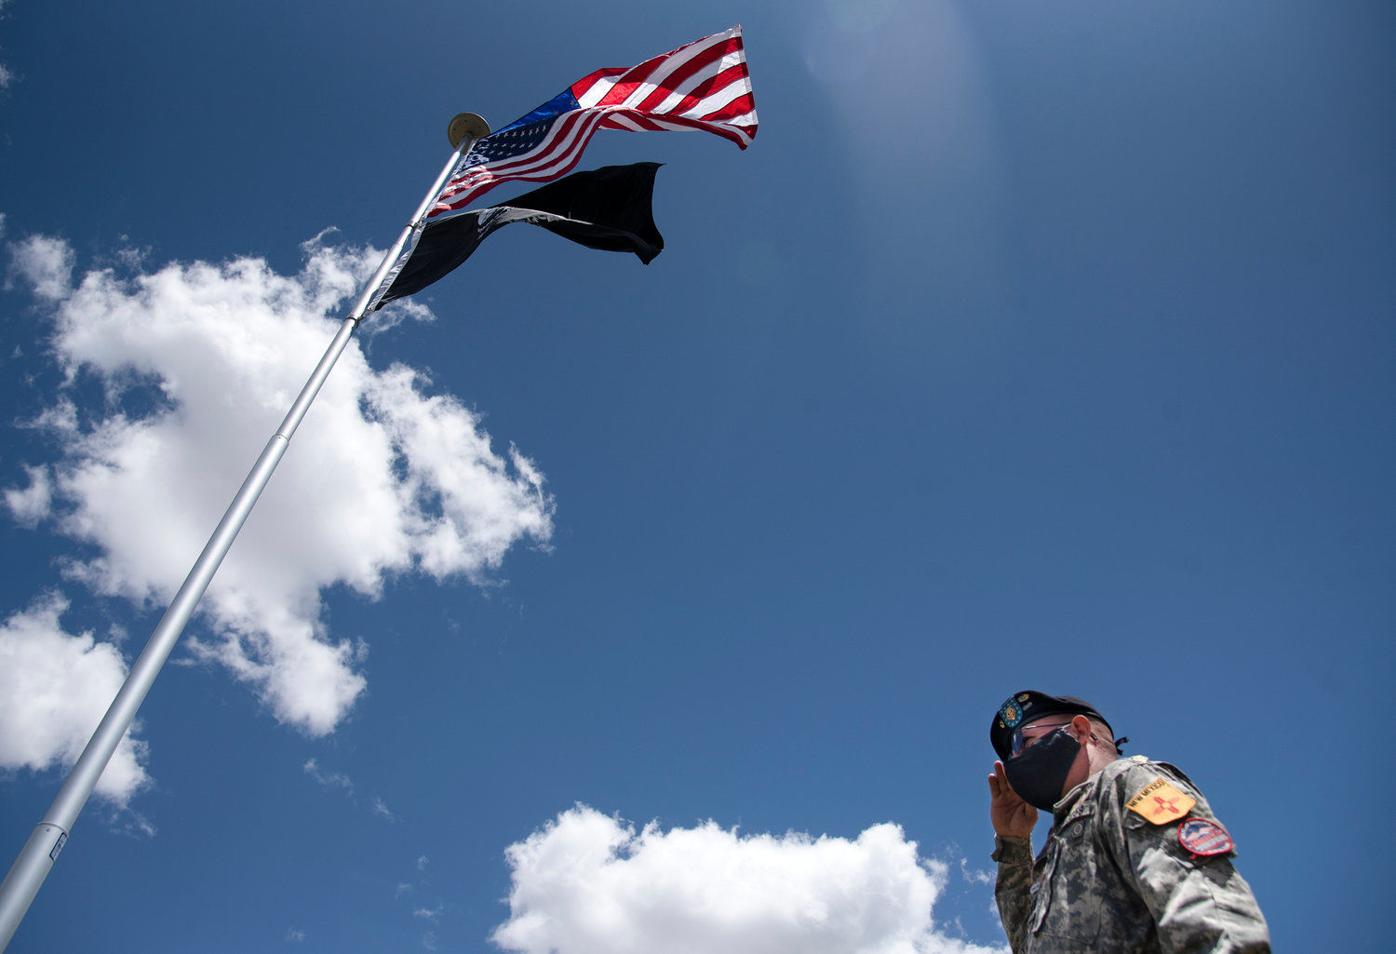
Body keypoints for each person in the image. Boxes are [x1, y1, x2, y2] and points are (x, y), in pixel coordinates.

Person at [986, 690, 1269, 953]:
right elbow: (1028, 946)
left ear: (1080, 731)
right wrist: (1013, 844)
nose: (1016, 759)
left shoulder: (1128, 784)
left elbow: (1208, 917)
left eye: (1022, 742)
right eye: (1011, 754)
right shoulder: (1057, 848)